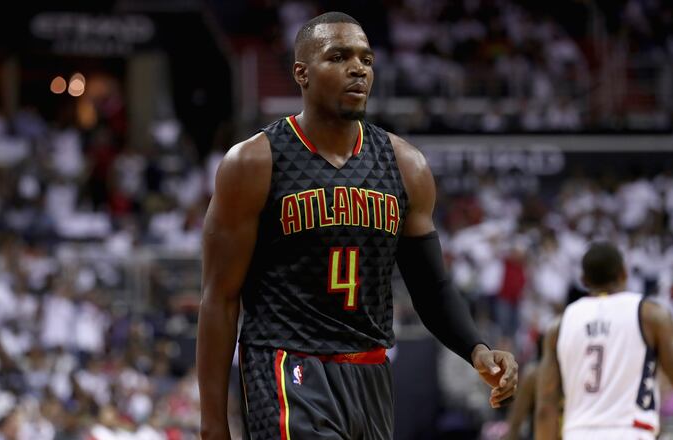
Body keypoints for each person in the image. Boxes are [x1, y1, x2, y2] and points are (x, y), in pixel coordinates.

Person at [197, 11, 518, 440]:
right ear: (302, 74)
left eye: (366, 60)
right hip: (287, 365)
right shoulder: (254, 162)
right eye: (338, 57)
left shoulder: (407, 166)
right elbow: (219, 298)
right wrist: (212, 424)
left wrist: (476, 348)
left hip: (369, 371)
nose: (358, 69)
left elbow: (431, 286)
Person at [535, 242, 673, 440]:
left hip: (576, 432)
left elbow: (545, 408)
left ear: (584, 280)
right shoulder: (650, 316)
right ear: (624, 273)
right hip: (630, 431)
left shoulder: (559, 326)